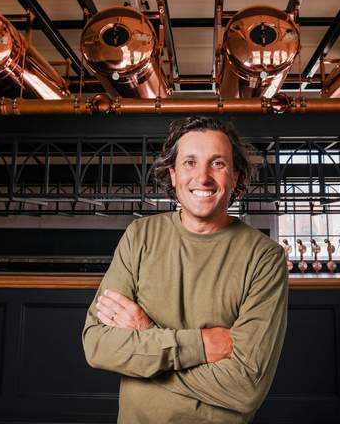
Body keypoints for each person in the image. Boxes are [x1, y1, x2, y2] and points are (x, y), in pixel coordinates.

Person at [82, 116, 288, 424]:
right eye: (190, 162)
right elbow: (97, 345)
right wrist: (201, 345)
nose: (202, 177)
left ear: (235, 177)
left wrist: (146, 340)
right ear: (173, 174)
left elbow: (245, 386)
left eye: (217, 163)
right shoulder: (140, 236)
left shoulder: (264, 257)